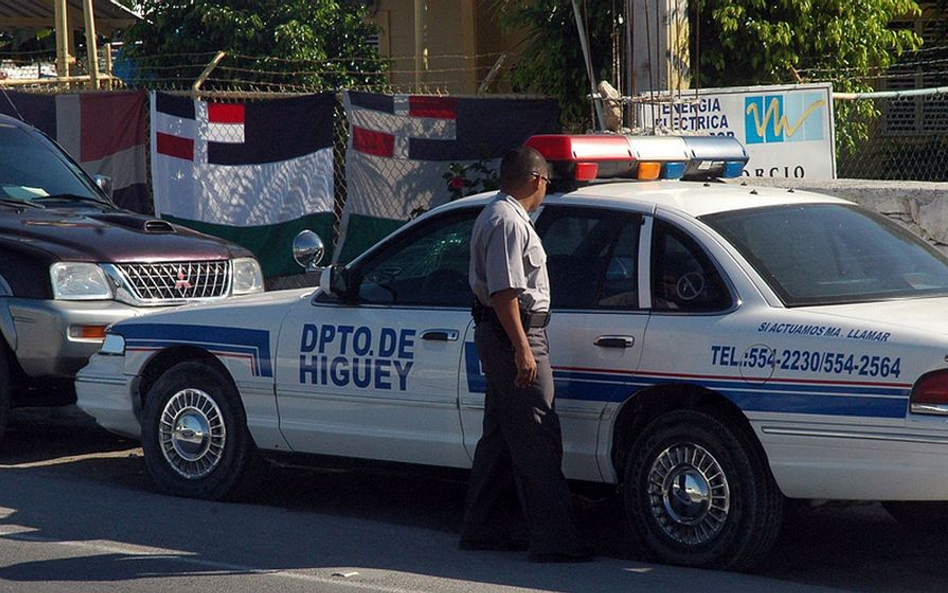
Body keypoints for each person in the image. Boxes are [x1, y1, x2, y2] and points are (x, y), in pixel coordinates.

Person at [460, 146, 592, 563]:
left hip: (505, 337)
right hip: (514, 338)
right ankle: (555, 542)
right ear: (537, 179)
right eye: (547, 184)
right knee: (539, 437)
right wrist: (522, 349)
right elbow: (504, 293)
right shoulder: (507, 222)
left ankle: (483, 529)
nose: (545, 191)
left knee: (500, 438)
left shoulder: (503, 217)